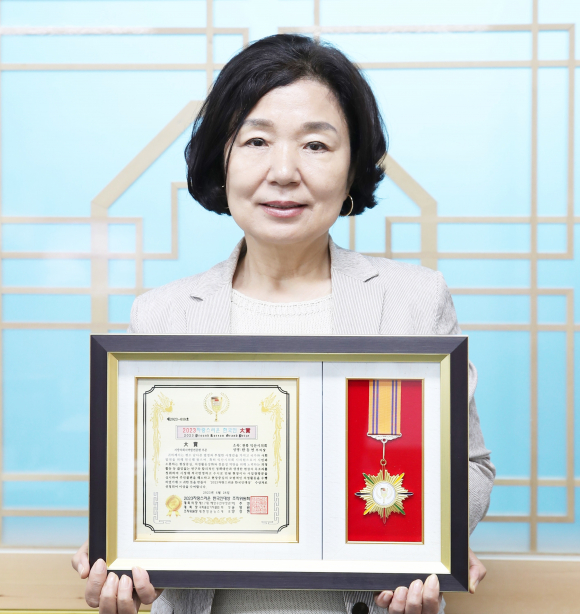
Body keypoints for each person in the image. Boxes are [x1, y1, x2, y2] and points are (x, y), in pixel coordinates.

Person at [72, 34, 494, 614]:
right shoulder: (160, 314)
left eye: (316, 144)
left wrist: (430, 534)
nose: (284, 171)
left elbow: (470, 467)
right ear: (222, 159)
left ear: (352, 166)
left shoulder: (416, 299)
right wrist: (120, 546)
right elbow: (146, 486)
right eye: (256, 140)